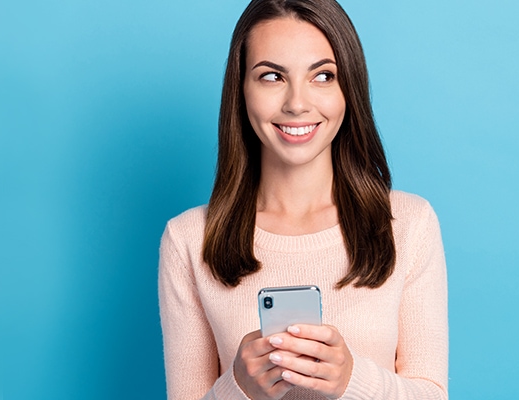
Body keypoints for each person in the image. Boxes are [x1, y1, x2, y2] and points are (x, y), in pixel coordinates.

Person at [158, 0, 448, 399]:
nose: (297, 103)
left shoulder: (409, 223)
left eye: (323, 76)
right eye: (272, 76)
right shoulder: (189, 239)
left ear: (349, 89)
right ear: (241, 89)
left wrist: (352, 380)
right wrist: (237, 387)